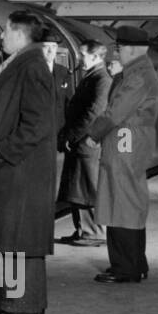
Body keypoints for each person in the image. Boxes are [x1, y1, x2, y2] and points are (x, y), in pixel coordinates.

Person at [0, 10, 57, 314]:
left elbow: (37, 124)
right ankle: (28, 302)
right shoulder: (27, 62)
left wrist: (3, 153)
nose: (1, 36)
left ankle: (19, 307)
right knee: (18, 238)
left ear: (19, 34)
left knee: (16, 237)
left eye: (5, 31)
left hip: (19, 169)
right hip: (21, 169)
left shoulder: (30, 66)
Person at [84, 26, 158, 284]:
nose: (116, 53)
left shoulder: (138, 75)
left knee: (122, 201)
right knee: (125, 199)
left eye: (118, 48)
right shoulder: (138, 72)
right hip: (129, 140)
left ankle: (126, 267)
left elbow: (115, 112)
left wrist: (92, 135)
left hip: (125, 140)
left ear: (130, 49)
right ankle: (135, 263)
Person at [56, 40, 112, 244]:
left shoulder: (102, 79)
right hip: (81, 143)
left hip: (87, 143)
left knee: (87, 188)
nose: (80, 59)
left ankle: (94, 233)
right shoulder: (92, 76)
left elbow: (93, 114)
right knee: (78, 188)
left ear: (96, 57)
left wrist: (71, 135)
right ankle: (83, 230)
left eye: (84, 55)